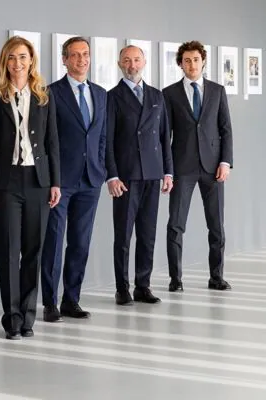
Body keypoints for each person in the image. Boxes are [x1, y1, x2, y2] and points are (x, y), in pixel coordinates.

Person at [0, 36, 61, 339]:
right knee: (9, 252)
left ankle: (27, 318)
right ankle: (11, 320)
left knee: (34, 251)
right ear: (5, 61)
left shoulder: (44, 96)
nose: (17, 63)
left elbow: (52, 142)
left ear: (31, 60)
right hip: (5, 182)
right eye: (12, 57)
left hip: (38, 181)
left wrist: (55, 182)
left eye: (23, 57)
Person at [40, 37, 106, 323]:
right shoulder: (51, 93)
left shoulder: (101, 93)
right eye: (75, 55)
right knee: (54, 242)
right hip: (60, 181)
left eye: (85, 54)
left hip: (91, 179)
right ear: (64, 60)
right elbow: (46, 139)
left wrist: (101, 168)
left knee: (81, 242)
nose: (82, 60)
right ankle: (50, 303)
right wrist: (51, 178)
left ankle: (71, 300)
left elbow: (102, 136)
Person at [163, 41, 233, 292]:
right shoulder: (169, 93)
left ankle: (216, 277)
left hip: (213, 167)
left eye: (195, 59)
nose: (192, 64)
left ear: (203, 61)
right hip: (182, 167)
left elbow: (226, 129)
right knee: (175, 225)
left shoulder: (217, 90)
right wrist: (168, 170)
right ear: (180, 64)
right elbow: (165, 135)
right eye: (187, 60)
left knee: (216, 226)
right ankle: (176, 280)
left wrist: (225, 162)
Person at [106, 45, 173, 306]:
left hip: (153, 174)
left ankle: (143, 286)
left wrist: (168, 171)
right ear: (119, 64)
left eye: (136, 60)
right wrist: (112, 175)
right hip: (126, 175)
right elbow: (107, 141)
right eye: (126, 60)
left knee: (148, 234)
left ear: (144, 62)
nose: (132, 65)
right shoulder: (112, 97)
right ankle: (122, 288)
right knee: (123, 236)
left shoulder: (157, 95)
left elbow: (165, 137)